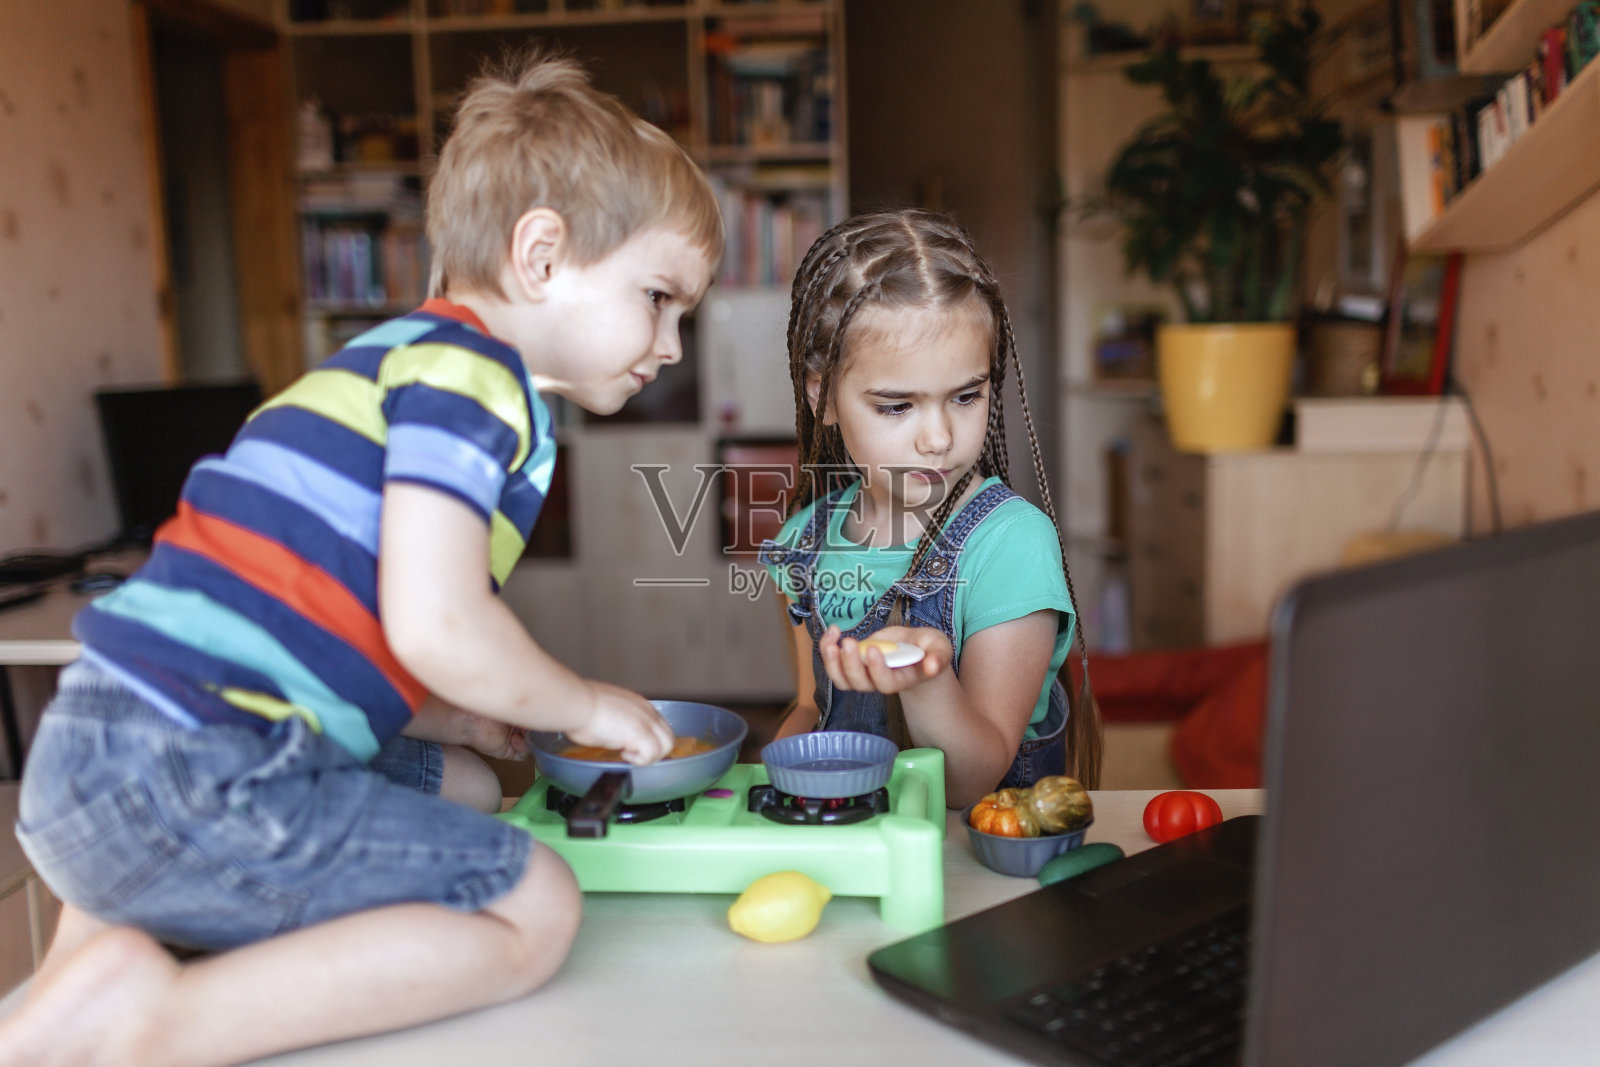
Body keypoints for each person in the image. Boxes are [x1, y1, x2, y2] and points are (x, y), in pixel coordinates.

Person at [0, 51, 721, 1067]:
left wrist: (461, 711)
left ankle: (87, 971)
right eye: (659, 297)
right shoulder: (479, 384)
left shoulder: (391, 360)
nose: (673, 343)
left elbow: (347, 624)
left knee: (467, 782)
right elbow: (438, 622)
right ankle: (154, 1023)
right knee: (535, 903)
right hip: (193, 767)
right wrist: (583, 705)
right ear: (543, 254)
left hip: (102, 756)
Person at [759, 210, 1103, 808]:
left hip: (980, 881)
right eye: (897, 406)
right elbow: (812, 708)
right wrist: (780, 790)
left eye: (966, 396)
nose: (938, 438)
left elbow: (976, 781)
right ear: (824, 397)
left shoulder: (1011, 545)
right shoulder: (802, 544)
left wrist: (927, 683)